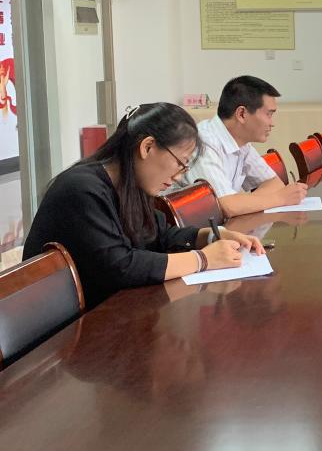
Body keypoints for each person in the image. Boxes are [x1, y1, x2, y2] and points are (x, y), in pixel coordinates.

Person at [22, 103, 263, 309]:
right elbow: (121, 267)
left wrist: (211, 236)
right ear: (147, 147)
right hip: (64, 332)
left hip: (109, 311)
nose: (179, 176)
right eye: (180, 163)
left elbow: (160, 235)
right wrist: (203, 259)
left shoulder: (130, 185)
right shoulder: (82, 189)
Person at [182, 76, 307, 217]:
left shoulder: (241, 142)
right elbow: (225, 207)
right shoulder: (205, 143)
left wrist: (241, 203)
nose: (272, 123)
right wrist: (280, 199)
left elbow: (274, 183)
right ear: (241, 114)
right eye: (268, 114)